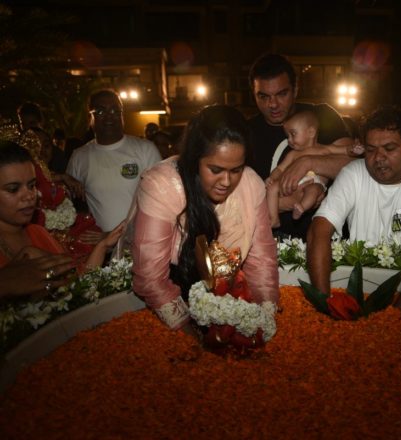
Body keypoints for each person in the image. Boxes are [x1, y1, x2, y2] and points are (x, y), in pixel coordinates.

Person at [131, 105, 279, 331]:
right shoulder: (163, 186)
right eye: (216, 169)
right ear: (194, 160)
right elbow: (150, 278)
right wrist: (190, 330)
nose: (227, 181)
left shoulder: (250, 184)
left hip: (220, 294)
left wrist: (265, 317)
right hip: (159, 300)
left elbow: (261, 260)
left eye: (236, 170)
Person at [307, 106, 401, 309]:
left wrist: (397, 314)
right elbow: (319, 231)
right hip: (357, 293)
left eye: (389, 148)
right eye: (370, 150)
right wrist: (325, 304)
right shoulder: (354, 173)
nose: (378, 158)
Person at [248, 53, 354, 239]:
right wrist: (283, 202)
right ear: (253, 94)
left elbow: (354, 165)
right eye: (263, 96)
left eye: (282, 94)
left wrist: (307, 162)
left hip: (327, 239)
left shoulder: (321, 116)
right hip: (269, 243)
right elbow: (234, 199)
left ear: (295, 89)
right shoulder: (245, 132)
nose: (272, 104)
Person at [0, 140, 124, 297]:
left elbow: (75, 283)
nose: (29, 196)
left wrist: (103, 246)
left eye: (31, 185)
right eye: (13, 189)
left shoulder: (38, 232)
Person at [66, 90, 162, 232]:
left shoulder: (145, 150)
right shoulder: (79, 157)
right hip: (100, 249)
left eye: (115, 110)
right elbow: (68, 204)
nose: (109, 116)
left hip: (141, 244)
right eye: (100, 111)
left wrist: (119, 235)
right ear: (90, 117)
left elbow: (161, 201)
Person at [266, 110, 347, 227]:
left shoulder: (323, 149)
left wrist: (353, 149)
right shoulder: (293, 154)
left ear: (311, 132)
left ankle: (301, 208)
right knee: (272, 189)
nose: (289, 140)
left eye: (293, 134)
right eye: (287, 136)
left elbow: (342, 151)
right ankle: (274, 219)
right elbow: (280, 169)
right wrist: (272, 178)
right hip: (290, 183)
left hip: (313, 182)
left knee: (314, 190)